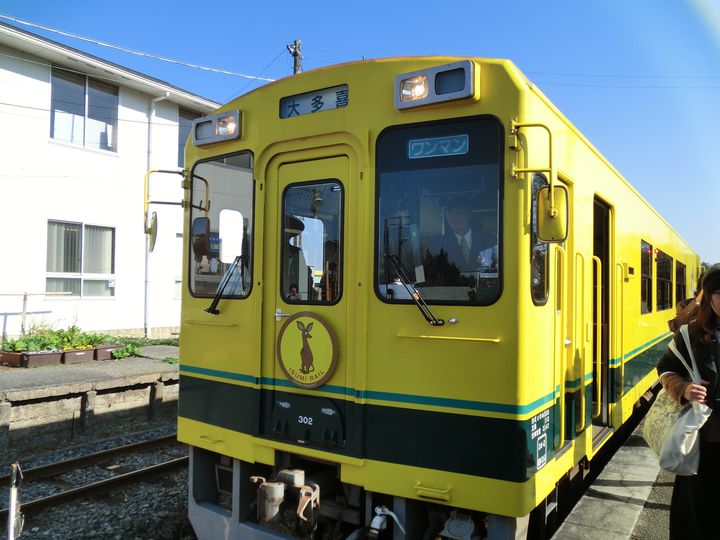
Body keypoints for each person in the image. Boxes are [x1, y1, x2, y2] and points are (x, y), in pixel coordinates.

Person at [656, 263, 720, 540]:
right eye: (718, 292)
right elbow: (665, 368)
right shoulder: (691, 334)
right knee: (698, 513)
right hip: (705, 442)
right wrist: (683, 388)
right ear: (708, 296)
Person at [436, 197, 496, 273]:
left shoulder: (489, 240)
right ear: (446, 217)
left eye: (460, 212)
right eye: (450, 212)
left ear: (470, 214)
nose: (455, 217)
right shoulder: (438, 244)